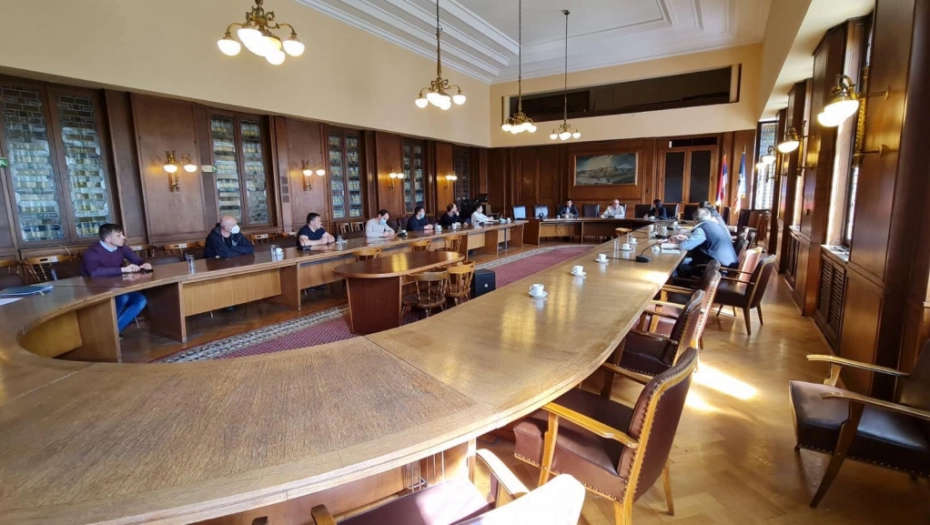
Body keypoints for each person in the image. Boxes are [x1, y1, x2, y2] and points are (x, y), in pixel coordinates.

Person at [80, 223, 151, 334]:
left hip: (117, 286)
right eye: (119, 235)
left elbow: (138, 261)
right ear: (108, 239)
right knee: (122, 297)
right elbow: (94, 272)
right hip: (96, 289)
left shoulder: (122, 247)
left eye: (122, 234)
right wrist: (123, 269)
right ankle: (110, 332)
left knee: (140, 300)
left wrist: (145, 264)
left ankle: (113, 331)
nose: (123, 237)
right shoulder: (92, 251)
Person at [672, 207, 738, 276]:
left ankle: (681, 282)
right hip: (727, 265)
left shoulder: (701, 229)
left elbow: (684, 246)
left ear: (695, 220)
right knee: (685, 260)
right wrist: (688, 238)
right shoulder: (715, 225)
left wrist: (675, 242)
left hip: (717, 270)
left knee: (676, 264)